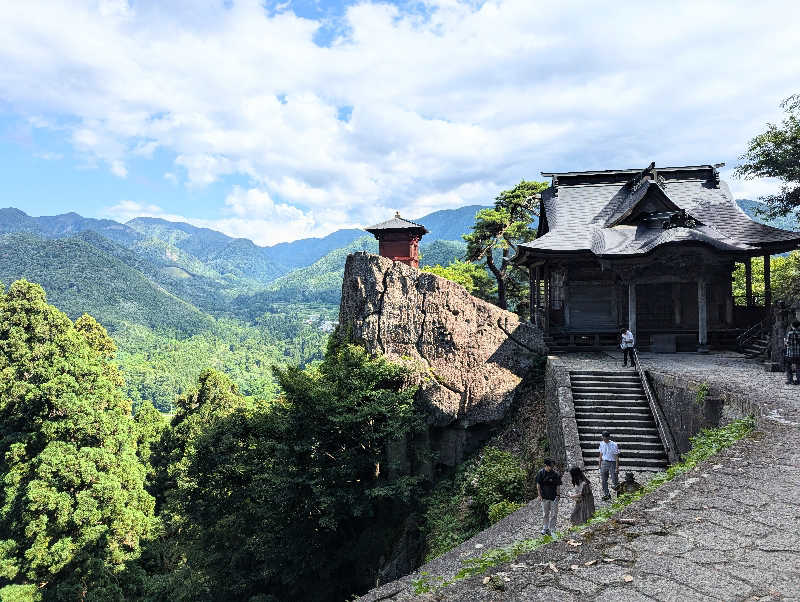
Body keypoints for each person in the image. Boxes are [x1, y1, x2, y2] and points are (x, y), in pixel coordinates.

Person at [535, 459, 562, 536]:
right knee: (545, 513)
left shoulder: (555, 474)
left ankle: (552, 529)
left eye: (553, 465)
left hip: (553, 496)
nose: (552, 467)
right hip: (544, 497)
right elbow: (538, 485)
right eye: (551, 465)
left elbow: (558, 485)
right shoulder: (541, 473)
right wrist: (539, 495)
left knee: (554, 514)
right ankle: (545, 527)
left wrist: (558, 495)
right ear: (546, 465)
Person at [598, 431, 619, 501]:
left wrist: (617, 467)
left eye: (605, 438)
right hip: (604, 462)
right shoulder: (601, 444)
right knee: (604, 480)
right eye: (603, 438)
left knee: (615, 480)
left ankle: (619, 494)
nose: (604, 439)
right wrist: (599, 465)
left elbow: (616, 457)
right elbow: (600, 455)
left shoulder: (614, 444)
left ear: (608, 437)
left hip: (612, 462)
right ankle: (607, 494)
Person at [785, 319, 800, 385]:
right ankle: (799, 380)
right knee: (798, 367)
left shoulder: (790, 333)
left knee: (788, 367)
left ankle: (790, 380)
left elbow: (788, 343)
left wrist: (785, 341)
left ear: (792, 325)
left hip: (790, 354)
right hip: (798, 354)